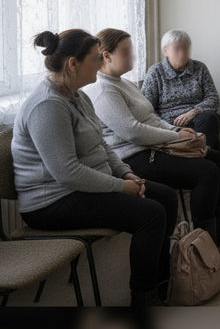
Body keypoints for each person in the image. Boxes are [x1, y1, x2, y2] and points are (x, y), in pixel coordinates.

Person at [12, 29, 177, 306]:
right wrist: (120, 186)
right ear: (73, 64)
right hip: (50, 203)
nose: (101, 63)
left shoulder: (78, 96)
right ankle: (145, 299)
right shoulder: (48, 105)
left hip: (80, 188)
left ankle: (162, 282)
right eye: (94, 58)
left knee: (166, 197)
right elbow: (68, 173)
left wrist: (125, 172)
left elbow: (102, 145)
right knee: (150, 215)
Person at [82, 28, 220, 273]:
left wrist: (180, 132)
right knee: (206, 172)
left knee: (217, 159)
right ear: (107, 56)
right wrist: (175, 136)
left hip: (153, 146)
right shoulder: (103, 90)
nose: (133, 56)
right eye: (126, 51)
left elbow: (151, 118)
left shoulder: (125, 83)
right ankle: (205, 248)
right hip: (133, 157)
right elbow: (133, 132)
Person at [142, 30, 220, 150]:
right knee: (212, 146)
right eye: (177, 49)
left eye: (185, 48)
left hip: (198, 122)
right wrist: (168, 128)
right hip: (169, 126)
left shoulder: (200, 68)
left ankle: (198, 155)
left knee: (211, 118)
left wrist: (193, 112)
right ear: (165, 51)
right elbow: (146, 107)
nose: (183, 52)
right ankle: (204, 156)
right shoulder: (155, 72)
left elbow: (213, 98)